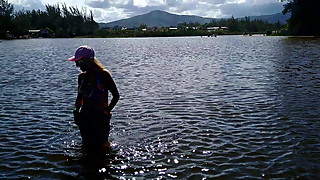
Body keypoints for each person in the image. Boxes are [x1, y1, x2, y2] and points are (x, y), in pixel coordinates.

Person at [68, 45, 119, 149]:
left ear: (85, 61)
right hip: (85, 118)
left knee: (102, 147)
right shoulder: (81, 77)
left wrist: (107, 111)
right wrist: (75, 112)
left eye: (78, 62)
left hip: (100, 118)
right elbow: (79, 98)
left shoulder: (104, 75)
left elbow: (116, 96)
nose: (77, 65)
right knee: (86, 146)